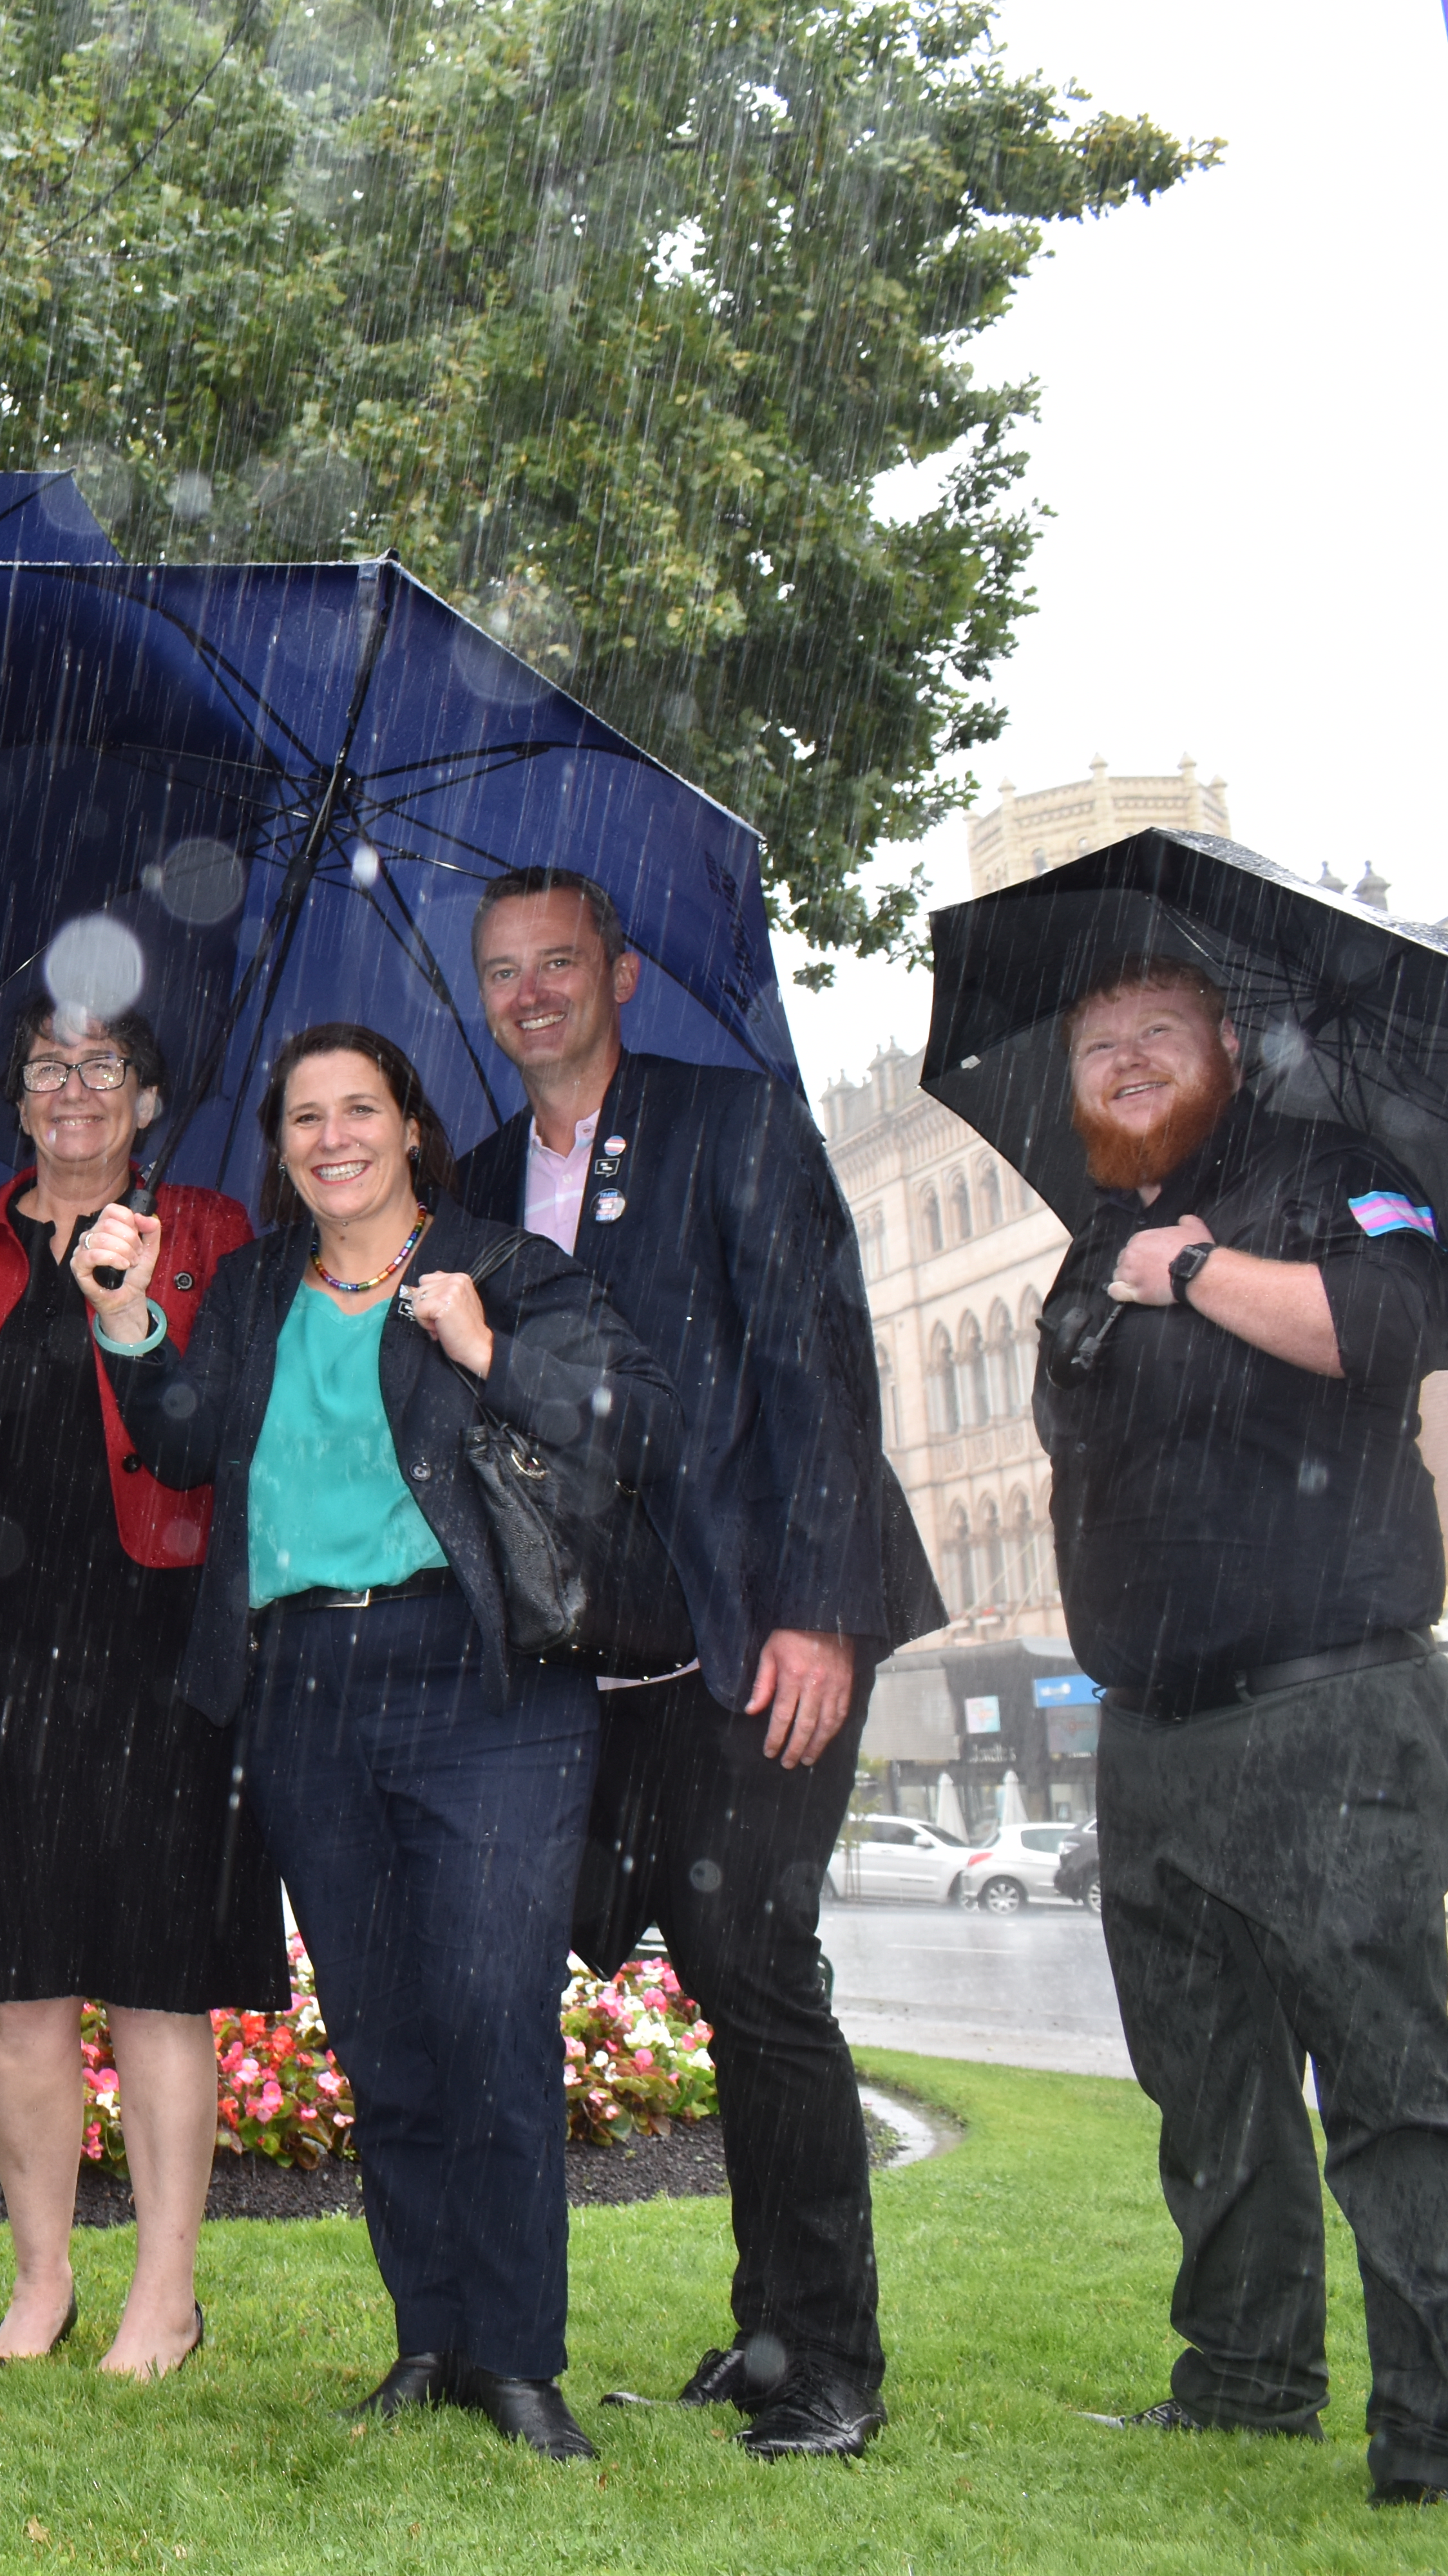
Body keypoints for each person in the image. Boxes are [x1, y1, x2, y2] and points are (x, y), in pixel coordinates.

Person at [82, 1023, 694, 2463]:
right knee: (385, 2035)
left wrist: (487, 1348)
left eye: (361, 1108)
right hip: (302, 1688)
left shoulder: (505, 1266)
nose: (333, 1135)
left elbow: (640, 1422)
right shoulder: (247, 1288)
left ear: (411, 1129)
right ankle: (430, 2334)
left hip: (478, 1682)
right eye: (305, 1115)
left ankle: (519, 2359)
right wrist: (124, 1320)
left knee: (489, 2018)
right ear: (282, 1147)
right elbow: (181, 1445)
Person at [450, 868, 942, 2458]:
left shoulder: (732, 1127)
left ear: (622, 972)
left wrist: (819, 1607)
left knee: (756, 1976)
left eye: (559, 963)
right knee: (589, 1974)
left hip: (748, 1640)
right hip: (580, 1667)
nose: (531, 994)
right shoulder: (464, 1182)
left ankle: (834, 2359)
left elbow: (814, 1367)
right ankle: (764, 2323)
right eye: (503, 971)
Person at [1036, 956, 1448, 2508]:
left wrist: (1188, 1272)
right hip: (1151, 1726)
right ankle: (1244, 2381)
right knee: (1206, 2084)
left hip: (1332, 1706)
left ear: (1224, 1047)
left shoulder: (1338, 1174)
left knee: (1385, 2078)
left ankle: (1442, 2434)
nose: (1121, 1061)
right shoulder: (1093, 1234)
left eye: (1154, 1035)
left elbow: (1383, 1331)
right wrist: (1133, 1264)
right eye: (1096, 1044)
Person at [0, 999, 273, 2382]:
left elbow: (216, 1433)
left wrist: (142, 1296)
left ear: (153, 1098)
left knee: (163, 1983)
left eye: (107, 1063)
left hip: (162, 1641)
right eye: (49, 1064)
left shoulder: (215, 1233)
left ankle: (164, 2292)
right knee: (19, 1988)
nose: (75, 1085)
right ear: (19, 1092)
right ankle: (41, 2279)